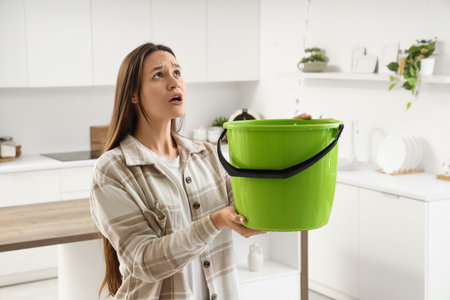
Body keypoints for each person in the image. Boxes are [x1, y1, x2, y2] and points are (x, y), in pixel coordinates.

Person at [89, 43, 268, 300]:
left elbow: (253, 210)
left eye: (177, 72)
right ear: (133, 95)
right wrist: (214, 222)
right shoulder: (113, 170)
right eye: (158, 75)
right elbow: (143, 261)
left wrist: (297, 141)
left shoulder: (206, 155)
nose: (174, 83)